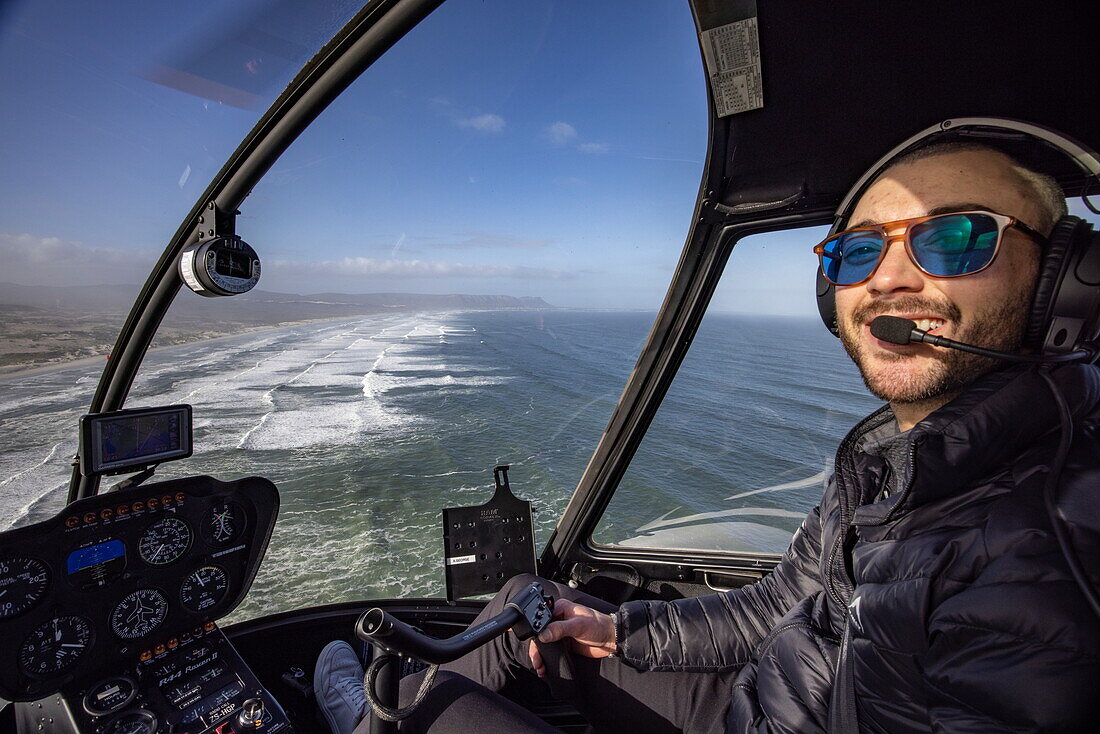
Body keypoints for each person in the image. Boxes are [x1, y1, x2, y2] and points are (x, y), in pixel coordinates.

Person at [315, 137, 1100, 733]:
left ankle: (365, 717)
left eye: (957, 238)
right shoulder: (888, 469)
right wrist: (617, 627)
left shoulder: (1041, 560)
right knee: (532, 599)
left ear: (1063, 282)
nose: (890, 279)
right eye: (862, 251)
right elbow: (775, 607)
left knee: (439, 710)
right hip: (763, 700)